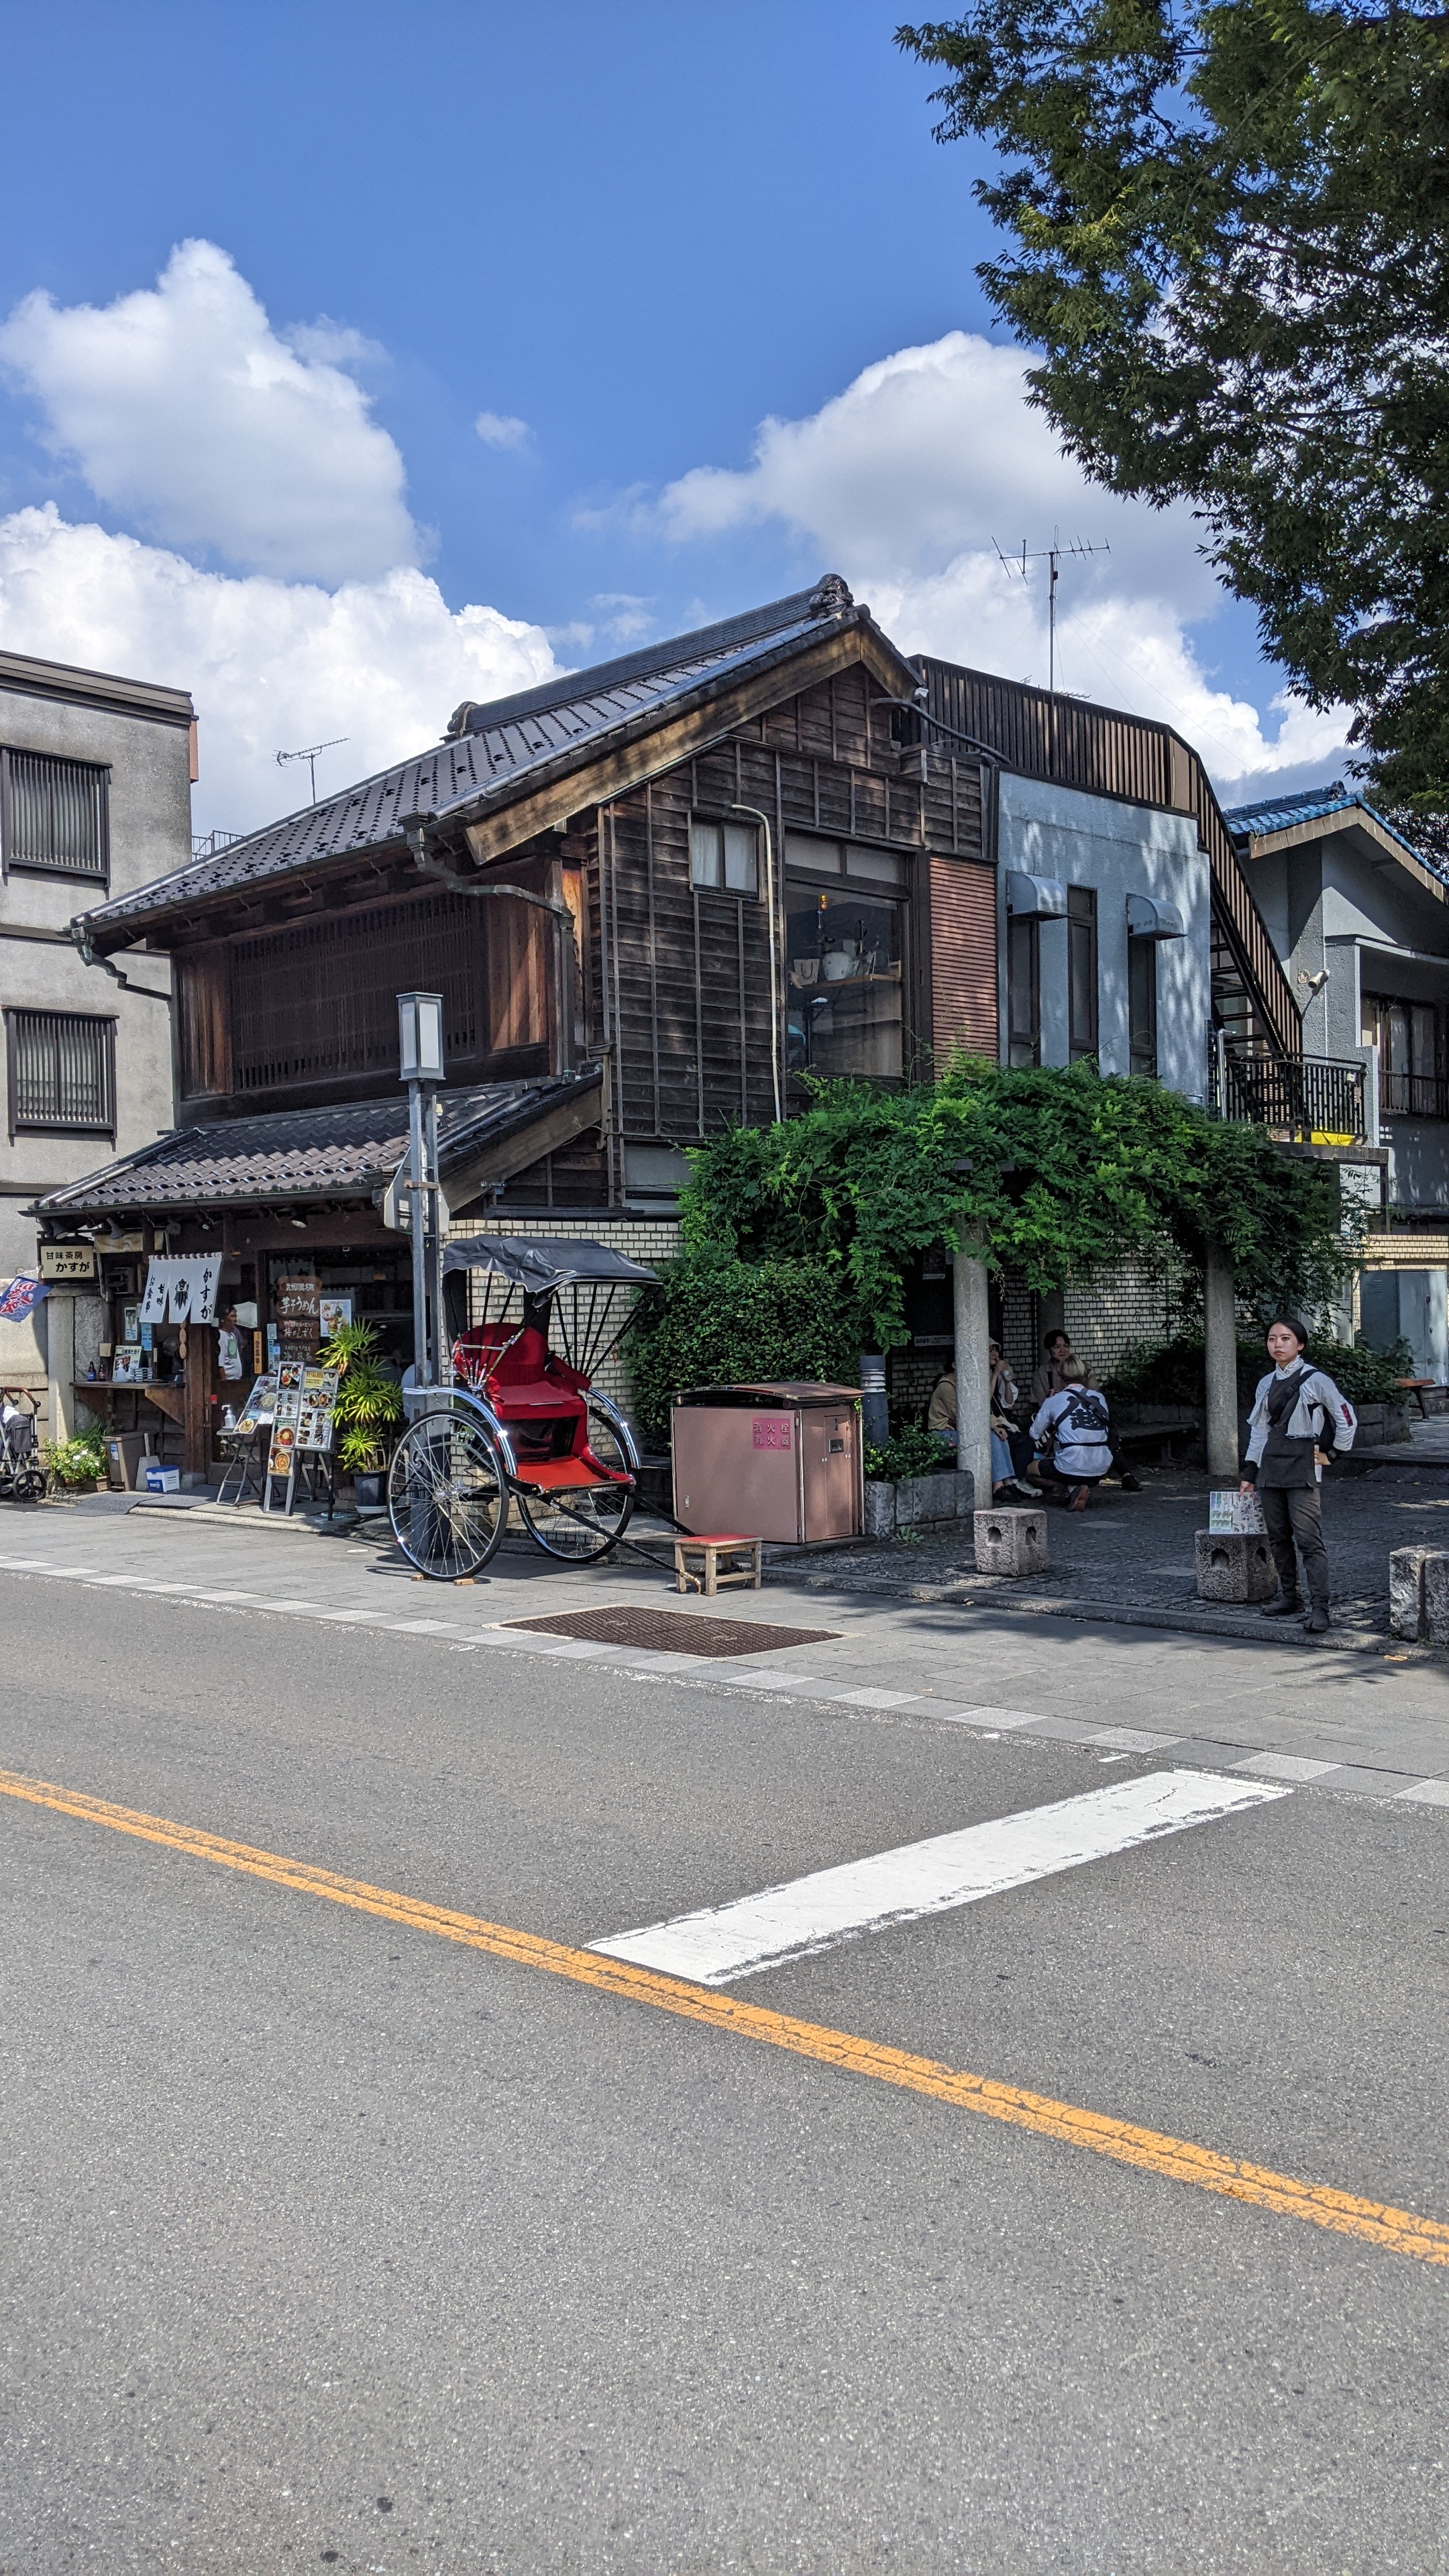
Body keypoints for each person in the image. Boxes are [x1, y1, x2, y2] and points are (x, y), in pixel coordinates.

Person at [1240, 1316, 1357, 1633]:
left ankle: (1321, 1608)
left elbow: (1345, 1416)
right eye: (1272, 1339)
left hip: (1303, 1464)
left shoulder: (1316, 1380)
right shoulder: (1266, 1383)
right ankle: (1289, 1597)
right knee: (1278, 1537)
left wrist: (1333, 1454)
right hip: (1270, 1467)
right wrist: (1250, 1471)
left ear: (1300, 1344)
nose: (1277, 1344)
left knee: (1308, 1539)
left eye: (1286, 1338)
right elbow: (1259, 1431)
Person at [1030, 1327, 1144, 1490]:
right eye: (1057, 1347)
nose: (1063, 1350)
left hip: (1082, 1421)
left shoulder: (1084, 1369)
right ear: (1049, 1350)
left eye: (1066, 1346)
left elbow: (1095, 1398)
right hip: (1054, 1422)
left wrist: (1087, 1377)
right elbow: (1042, 1406)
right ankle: (1074, 1485)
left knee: (1108, 1432)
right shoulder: (1041, 1373)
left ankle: (1125, 1474)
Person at [928, 1345, 1034, 1499]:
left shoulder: (966, 1384)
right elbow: (966, 1416)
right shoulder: (946, 1386)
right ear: (954, 1365)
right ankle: (998, 1485)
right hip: (943, 1434)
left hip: (958, 1430)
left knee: (998, 1436)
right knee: (990, 1437)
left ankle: (1008, 1483)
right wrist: (992, 1426)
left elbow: (980, 1409)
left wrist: (996, 1426)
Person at [1029, 1364, 1114, 1509]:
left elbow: (1034, 1433)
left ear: (1059, 1377)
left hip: (1070, 1464)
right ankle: (1077, 1489)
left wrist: (1049, 1407)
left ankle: (1069, 1490)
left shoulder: (1054, 1400)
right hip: (1102, 1465)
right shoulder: (1098, 1397)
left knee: (1030, 1471)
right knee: (1070, 1462)